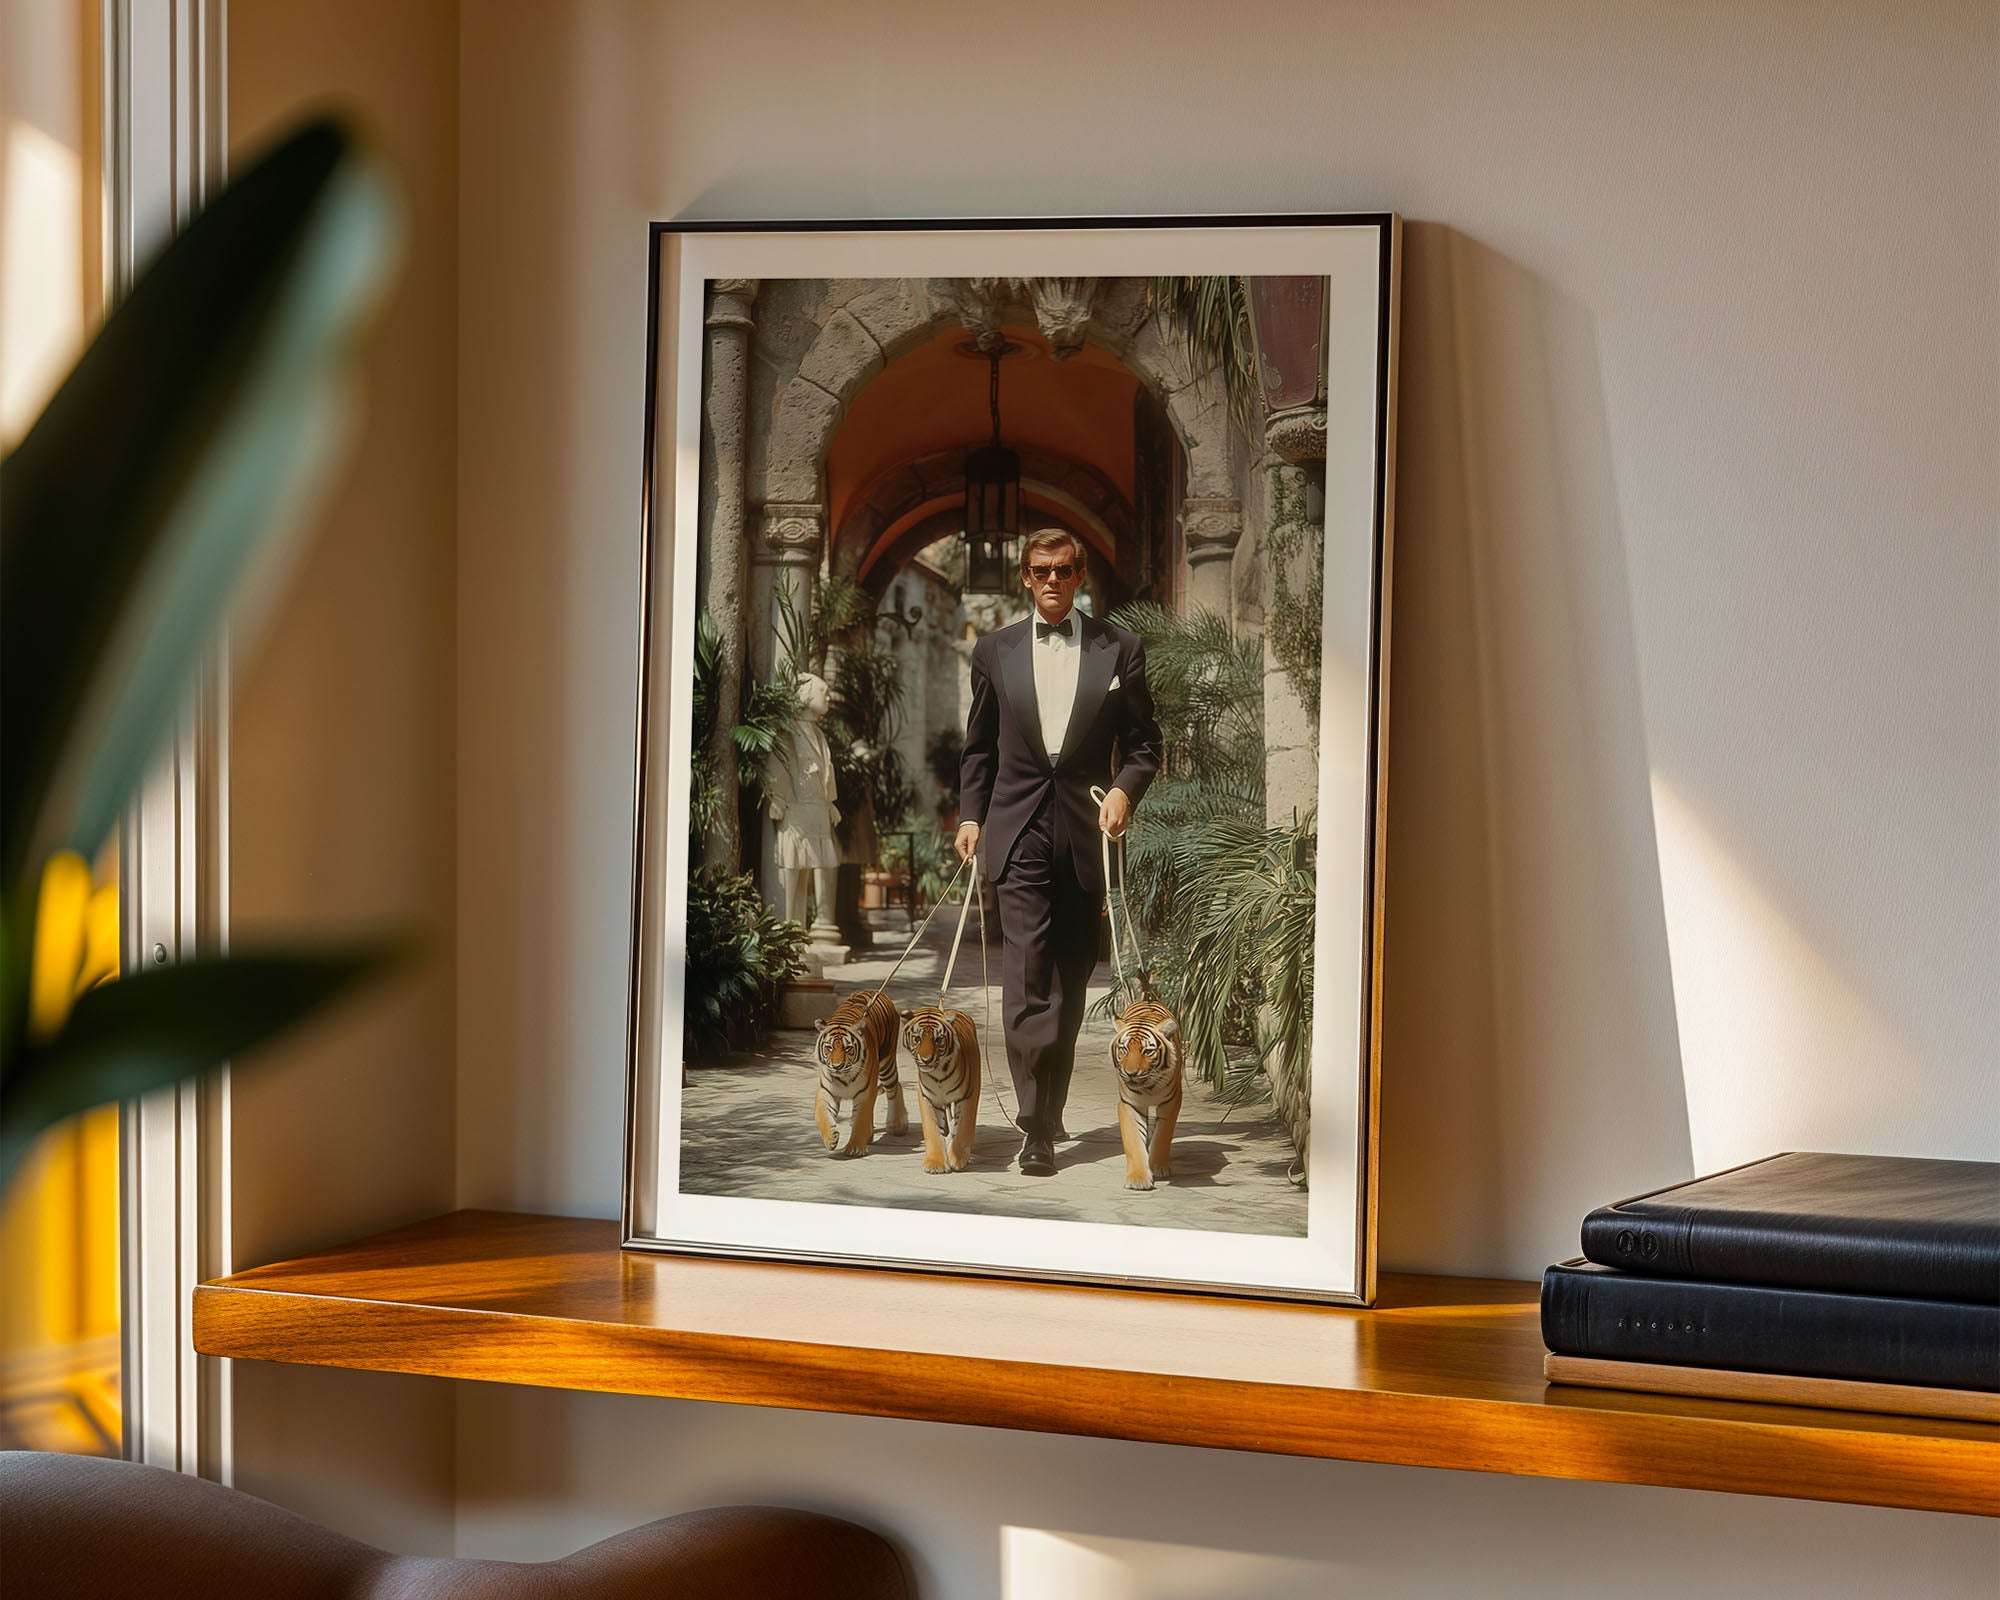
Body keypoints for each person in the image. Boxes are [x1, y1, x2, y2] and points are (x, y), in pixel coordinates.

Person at [956, 529, 1161, 1176]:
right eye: (1041, 570)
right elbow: (980, 746)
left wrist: (1126, 791)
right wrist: (970, 816)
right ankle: (1036, 1123)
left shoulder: (1119, 647)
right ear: (1024, 576)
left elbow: (1144, 744)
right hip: (1015, 832)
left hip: (1084, 833)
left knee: (1071, 981)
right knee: (1027, 977)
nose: (1052, 579)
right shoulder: (994, 650)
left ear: (1081, 577)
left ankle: (1051, 1097)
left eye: (1064, 569)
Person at [766, 671, 842, 942]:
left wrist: (830, 802)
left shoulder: (818, 733)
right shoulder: (789, 729)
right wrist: (777, 796)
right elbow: (781, 763)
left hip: (816, 812)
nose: (829, 697)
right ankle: (785, 931)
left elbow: (825, 769)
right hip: (796, 813)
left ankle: (798, 933)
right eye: (823, 692)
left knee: (808, 875)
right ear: (807, 694)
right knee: (791, 873)